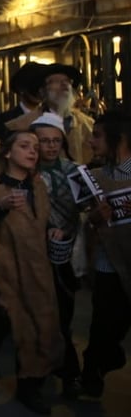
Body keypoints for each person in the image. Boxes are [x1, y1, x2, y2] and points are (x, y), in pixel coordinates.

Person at [0, 131, 61, 414]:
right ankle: (21, 382)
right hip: (4, 268)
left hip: (37, 268)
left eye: (35, 147)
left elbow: (41, 223)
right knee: (14, 321)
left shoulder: (39, 185)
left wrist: (54, 232)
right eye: (25, 146)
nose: (33, 152)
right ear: (8, 153)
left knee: (40, 321)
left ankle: (33, 377)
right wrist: (0, 207)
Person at [30, 113, 83, 397]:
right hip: (34, 253)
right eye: (44, 142)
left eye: (55, 141)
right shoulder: (27, 172)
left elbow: (83, 209)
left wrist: (67, 231)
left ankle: (67, 369)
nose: (50, 147)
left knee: (63, 315)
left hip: (66, 253)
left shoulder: (74, 171)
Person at [81, 111, 131, 397]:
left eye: (98, 135)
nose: (91, 141)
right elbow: (84, 223)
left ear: (119, 138)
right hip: (108, 265)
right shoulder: (93, 177)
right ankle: (93, 373)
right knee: (104, 325)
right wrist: (94, 219)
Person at [7, 63, 95, 165]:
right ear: (42, 91)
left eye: (67, 81)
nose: (64, 84)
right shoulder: (21, 125)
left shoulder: (87, 124)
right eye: (55, 81)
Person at [0, 62, 47, 145]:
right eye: (34, 87)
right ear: (21, 90)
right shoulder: (5, 120)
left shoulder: (50, 116)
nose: (39, 92)